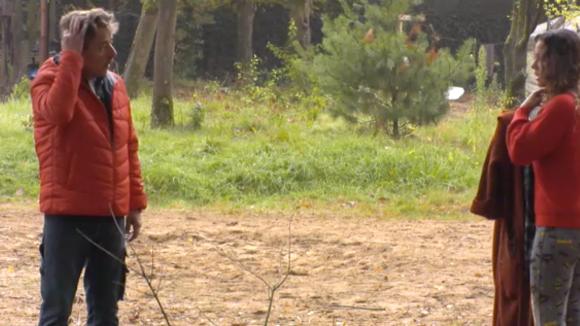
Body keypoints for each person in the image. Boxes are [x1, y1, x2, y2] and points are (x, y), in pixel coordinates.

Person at [30, 8, 147, 326]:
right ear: (76, 51)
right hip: (67, 220)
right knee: (56, 313)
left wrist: (134, 204)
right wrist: (69, 60)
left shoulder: (116, 86)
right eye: (101, 46)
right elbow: (58, 114)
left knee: (106, 313)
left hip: (111, 218)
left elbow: (128, 147)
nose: (112, 53)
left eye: (111, 43)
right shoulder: (47, 82)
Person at [506, 29, 580, 324]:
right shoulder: (574, 103)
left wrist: (522, 112)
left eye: (539, 59)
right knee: (573, 314)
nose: (534, 66)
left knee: (549, 318)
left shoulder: (560, 106)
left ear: (556, 63)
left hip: (557, 230)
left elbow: (520, 150)